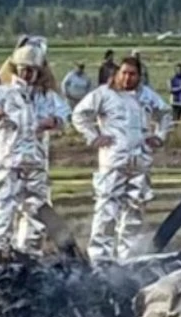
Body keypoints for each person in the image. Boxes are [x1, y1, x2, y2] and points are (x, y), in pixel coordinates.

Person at [72, 56, 173, 262]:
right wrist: (94, 136)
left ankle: (128, 258)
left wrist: (159, 136)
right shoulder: (104, 94)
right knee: (107, 211)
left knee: (135, 211)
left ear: (139, 76)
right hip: (113, 162)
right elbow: (79, 115)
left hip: (140, 162)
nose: (127, 78)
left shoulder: (147, 95)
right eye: (124, 73)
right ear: (117, 74)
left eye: (132, 74)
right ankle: (100, 258)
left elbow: (165, 113)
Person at [0, 46, 70, 254]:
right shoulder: (3, 93)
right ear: (16, 69)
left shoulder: (46, 97)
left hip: (35, 163)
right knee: (3, 211)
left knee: (36, 213)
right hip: (8, 162)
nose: (26, 74)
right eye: (23, 69)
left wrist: (54, 120)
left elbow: (65, 113)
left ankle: (29, 256)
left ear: (38, 72)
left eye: (31, 70)